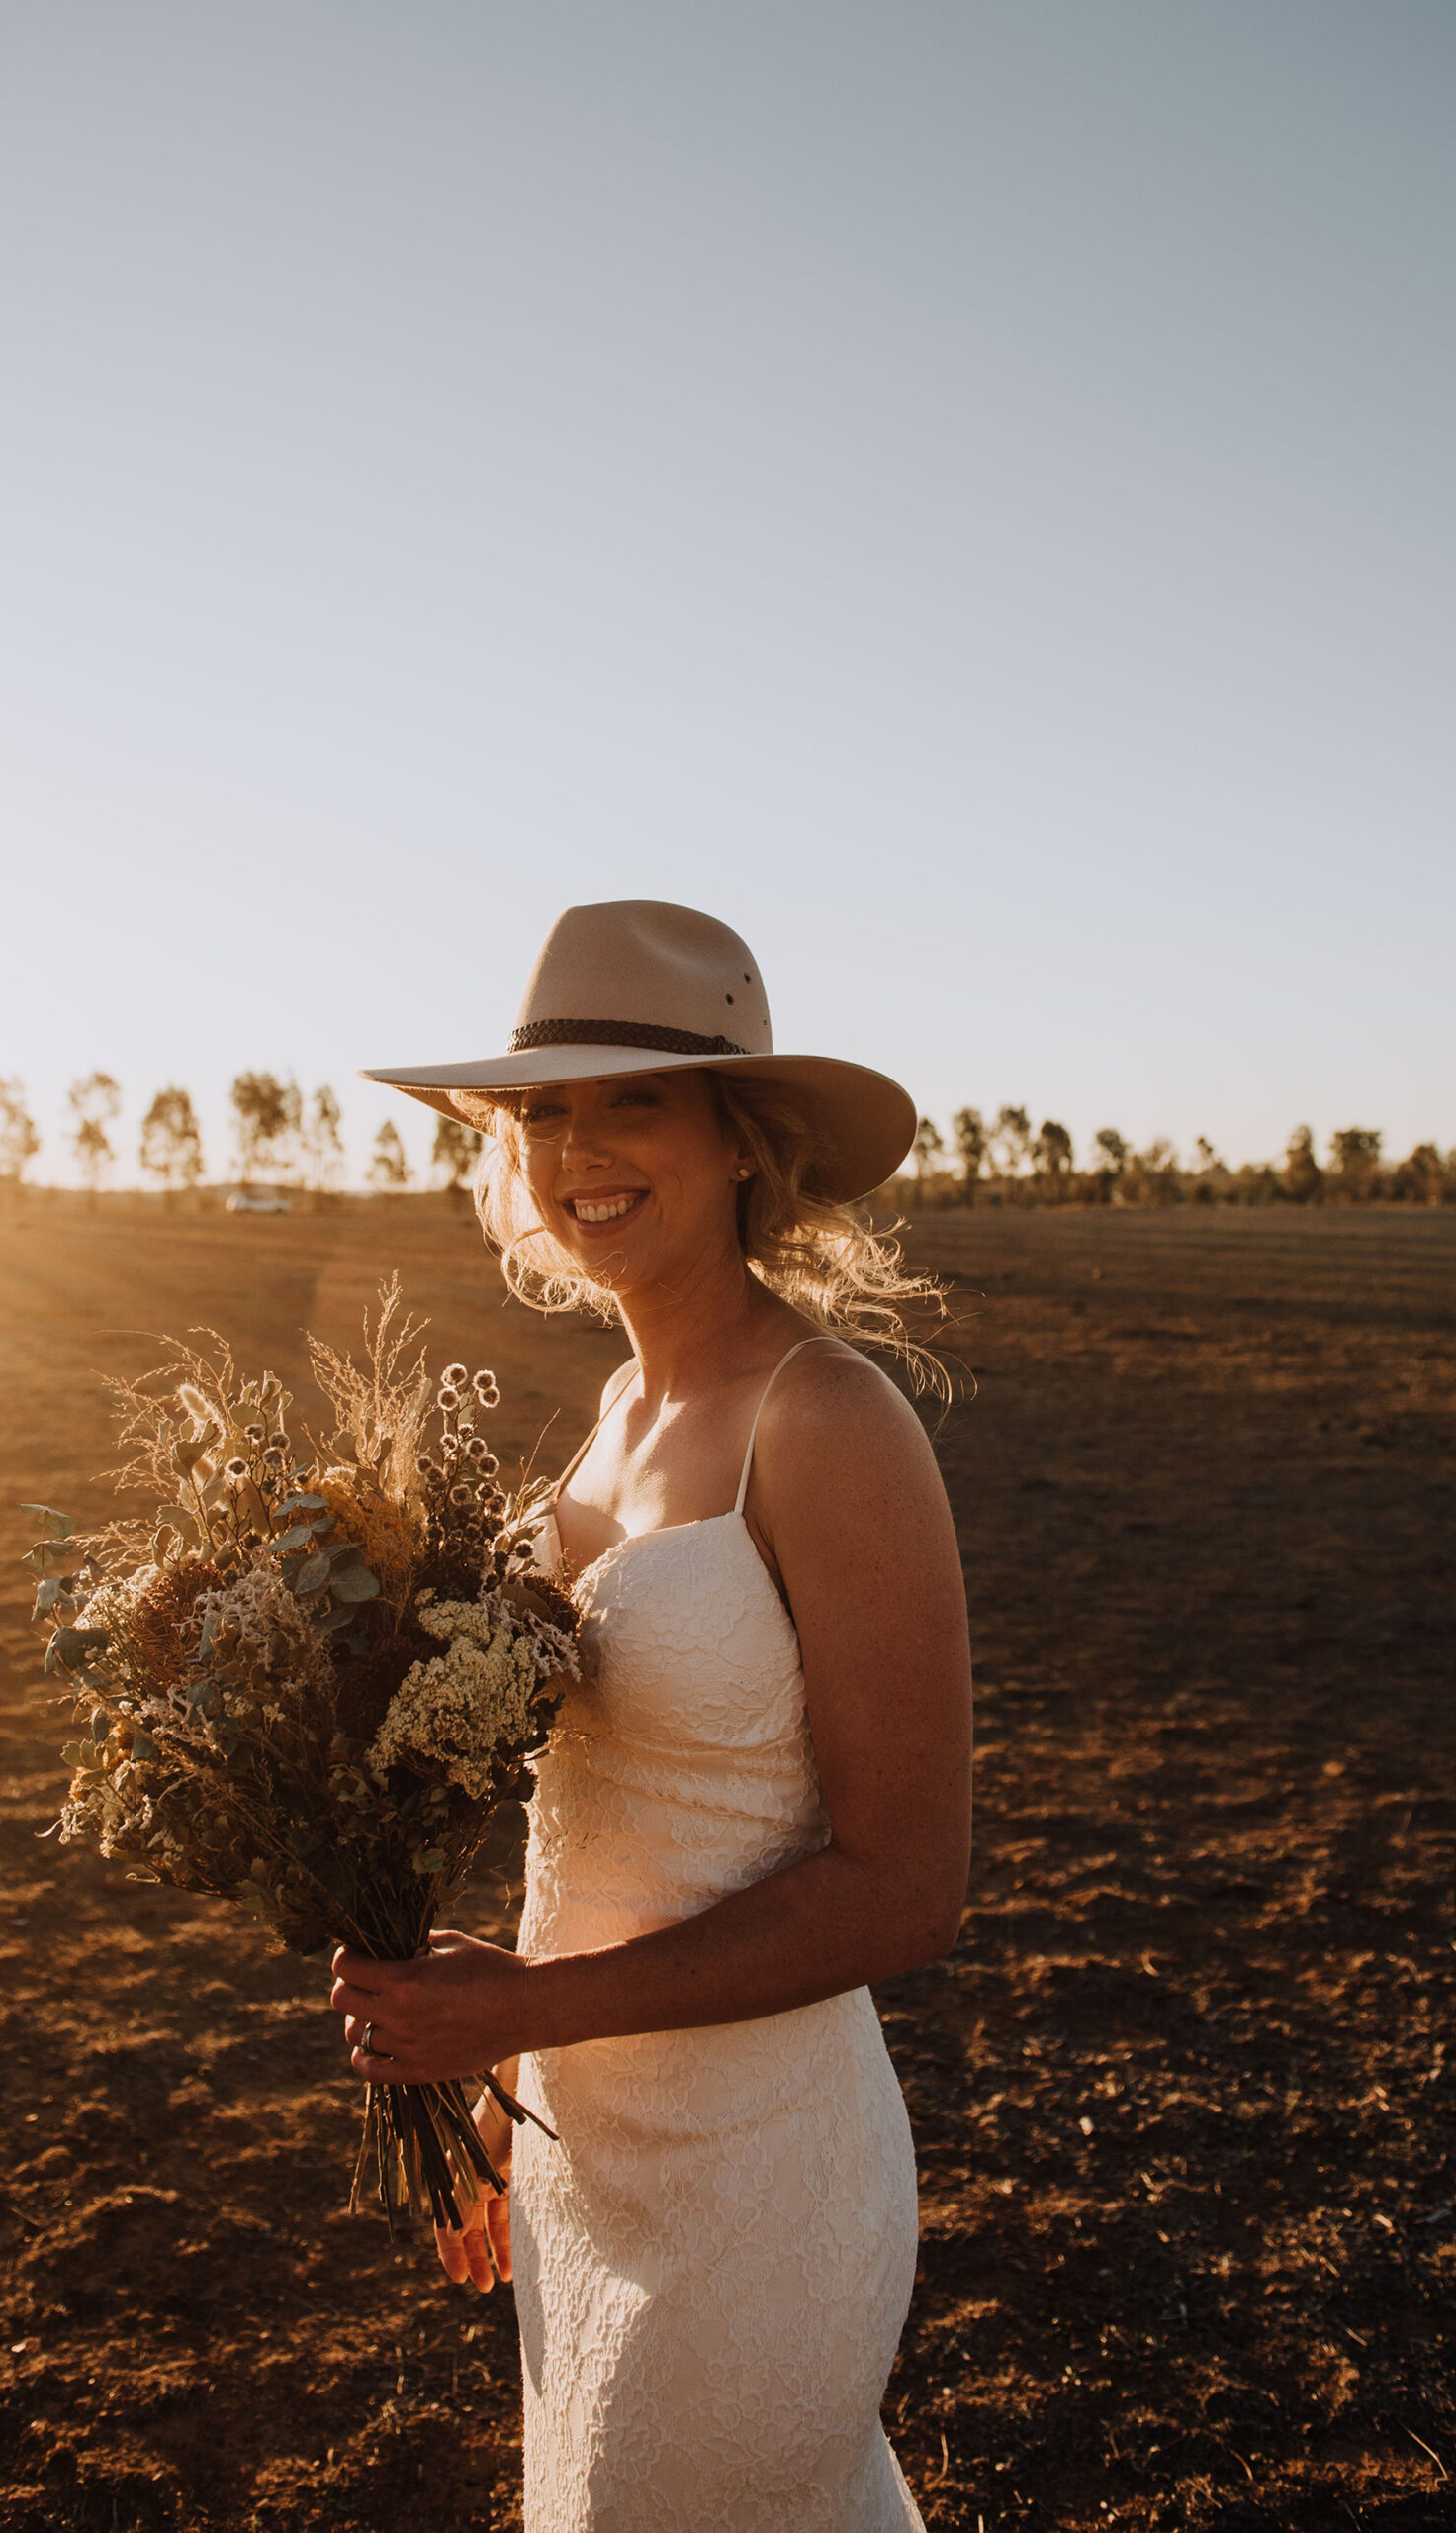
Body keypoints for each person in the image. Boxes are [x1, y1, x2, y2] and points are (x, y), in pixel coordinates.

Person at [332, 900, 973, 2532]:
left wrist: (525, 2015)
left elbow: (908, 1887)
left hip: (761, 2169)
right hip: (584, 2141)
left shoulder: (824, 1417)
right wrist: (511, 2063)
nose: (574, 1147)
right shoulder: (613, 1415)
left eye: (629, 1100)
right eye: (543, 1108)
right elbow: (601, 1817)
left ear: (741, 1140)